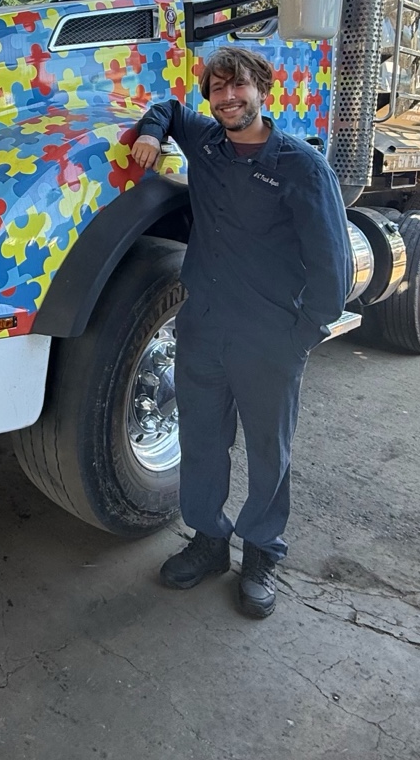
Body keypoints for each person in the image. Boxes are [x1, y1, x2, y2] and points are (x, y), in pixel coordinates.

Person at [128, 46, 350, 619]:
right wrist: (152, 133)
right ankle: (208, 541)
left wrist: (303, 333)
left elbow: (334, 266)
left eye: (239, 87)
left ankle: (260, 553)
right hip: (202, 327)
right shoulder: (205, 142)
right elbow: (170, 109)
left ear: (263, 90)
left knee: (267, 451)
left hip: (270, 336)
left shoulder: (301, 166)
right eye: (218, 89)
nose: (228, 98)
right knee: (202, 441)